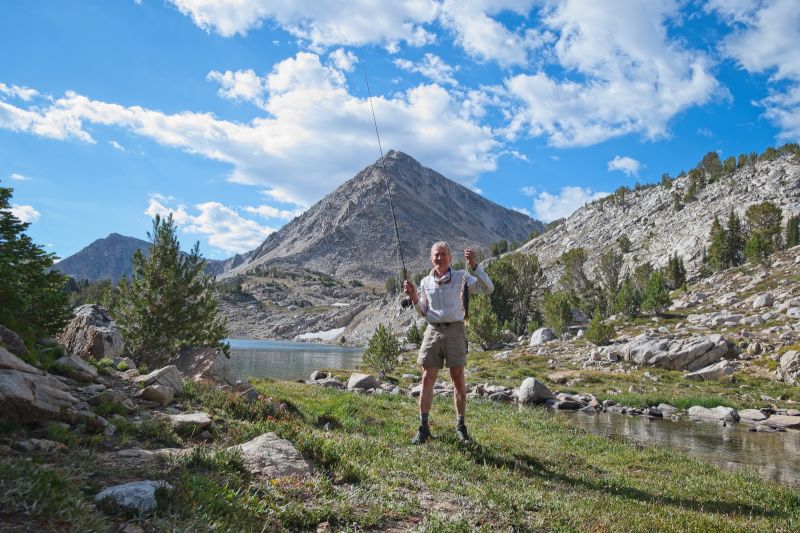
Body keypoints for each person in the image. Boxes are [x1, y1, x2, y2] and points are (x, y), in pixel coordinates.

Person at [403, 241, 493, 444]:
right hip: (433, 330)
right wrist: (415, 297)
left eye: (443, 254)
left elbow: (488, 288)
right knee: (426, 377)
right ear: (430, 258)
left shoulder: (462, 276)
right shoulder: (426, 282)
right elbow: (422, 312)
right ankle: (423, 427)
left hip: (456, 330)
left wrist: (474, 265)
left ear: (450, 258)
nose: (439, 258)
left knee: (457, 378)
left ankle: (461, 427)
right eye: (436, 255)